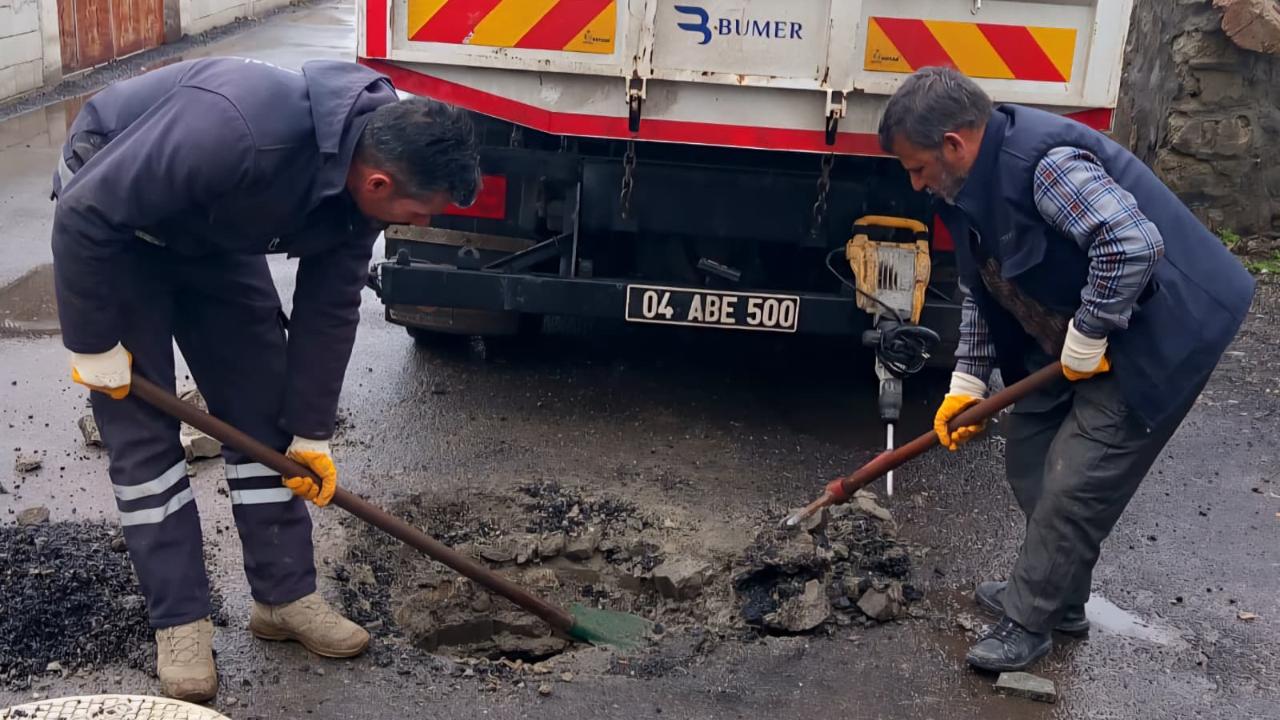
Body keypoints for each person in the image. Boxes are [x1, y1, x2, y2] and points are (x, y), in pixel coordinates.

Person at [50, 56, 480, 701]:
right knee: (145, 438)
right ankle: (182, 623)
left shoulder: (364, 193)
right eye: (419, 212)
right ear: (380, 180)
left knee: (262, 413)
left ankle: (283, 598)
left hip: (214, 233)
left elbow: (329, 309)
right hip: (117, 222)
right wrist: (93, 342)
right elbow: (85, 213)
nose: (418, 225)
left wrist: (311, 430)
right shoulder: (238, 128)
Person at [876, 66, 1255, 672]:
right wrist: (967, 382)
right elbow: (986, 285)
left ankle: (1030, 621)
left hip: (1159, 334)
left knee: (1075, 483)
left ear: (954, 144)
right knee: (1030, 456)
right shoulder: (967, 188)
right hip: (1070, 335)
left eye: (918, 167)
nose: (917, 183)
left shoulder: (1042, 165)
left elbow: (1131, 242)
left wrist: (1093, 326)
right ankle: (1062, 596)